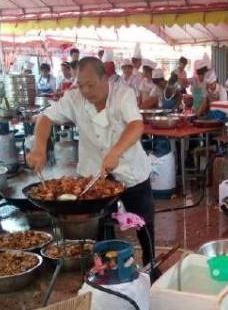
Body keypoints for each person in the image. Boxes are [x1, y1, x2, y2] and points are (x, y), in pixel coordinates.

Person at [27, 57, 155, 266]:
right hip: (94, 174)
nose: (86, 91)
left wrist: (115, 152)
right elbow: (45, 118)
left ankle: (151, 264)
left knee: (144, 222)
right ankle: (105, 267)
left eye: (91, 85)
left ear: (104, 78)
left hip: (131, 169)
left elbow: (136, 126)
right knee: (101, 224)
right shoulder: (74, 98)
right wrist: (39, 147)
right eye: (81, 85)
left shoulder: (123, 94)